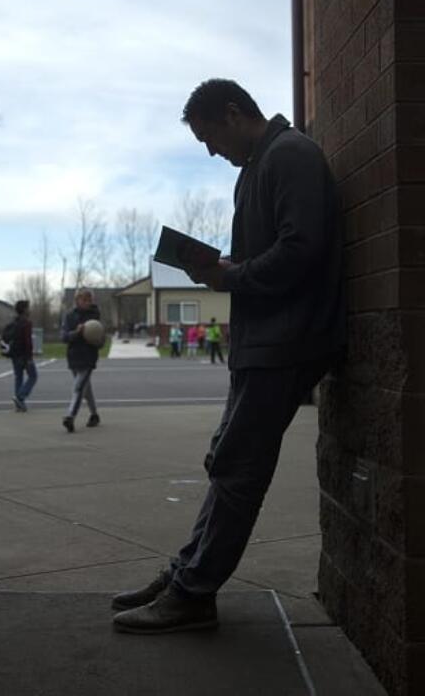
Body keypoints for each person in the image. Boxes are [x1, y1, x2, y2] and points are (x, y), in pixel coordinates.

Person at [111, 79, 345, 634]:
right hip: (264, 342)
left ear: (235, 114)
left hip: (286, 343)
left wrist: (232, 274)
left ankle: (193, 593)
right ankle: (186, 575)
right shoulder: (262, 166)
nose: (212, 152)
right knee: (227, 464)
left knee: (238, 471)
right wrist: (223, 268)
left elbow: (301, 250)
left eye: (210, 138)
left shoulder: (291, 156)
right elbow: (279, 251)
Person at [60, 287, 103, 433]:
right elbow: (64, 337)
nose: (87, 302)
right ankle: (94, 415)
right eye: (84, 299)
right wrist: (76, 332)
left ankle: (70, 417)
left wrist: (98, 340)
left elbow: (101, 338)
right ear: (77, 300)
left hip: (88, 358)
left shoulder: (95, 316)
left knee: (78, 388)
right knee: (86, 389)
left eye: (89, 299)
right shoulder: (70, 316)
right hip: (74, 357)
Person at [8, 300, 38, 411]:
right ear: (24, 310)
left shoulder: (14, 322)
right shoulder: (27, 323)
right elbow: (27, 341)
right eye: (28, 308)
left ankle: (19, 405)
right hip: (24, 355)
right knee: (33, 376)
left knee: (18, 378)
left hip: (15, 355)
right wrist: (29, 357)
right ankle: (20, 397)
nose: (29, 310)